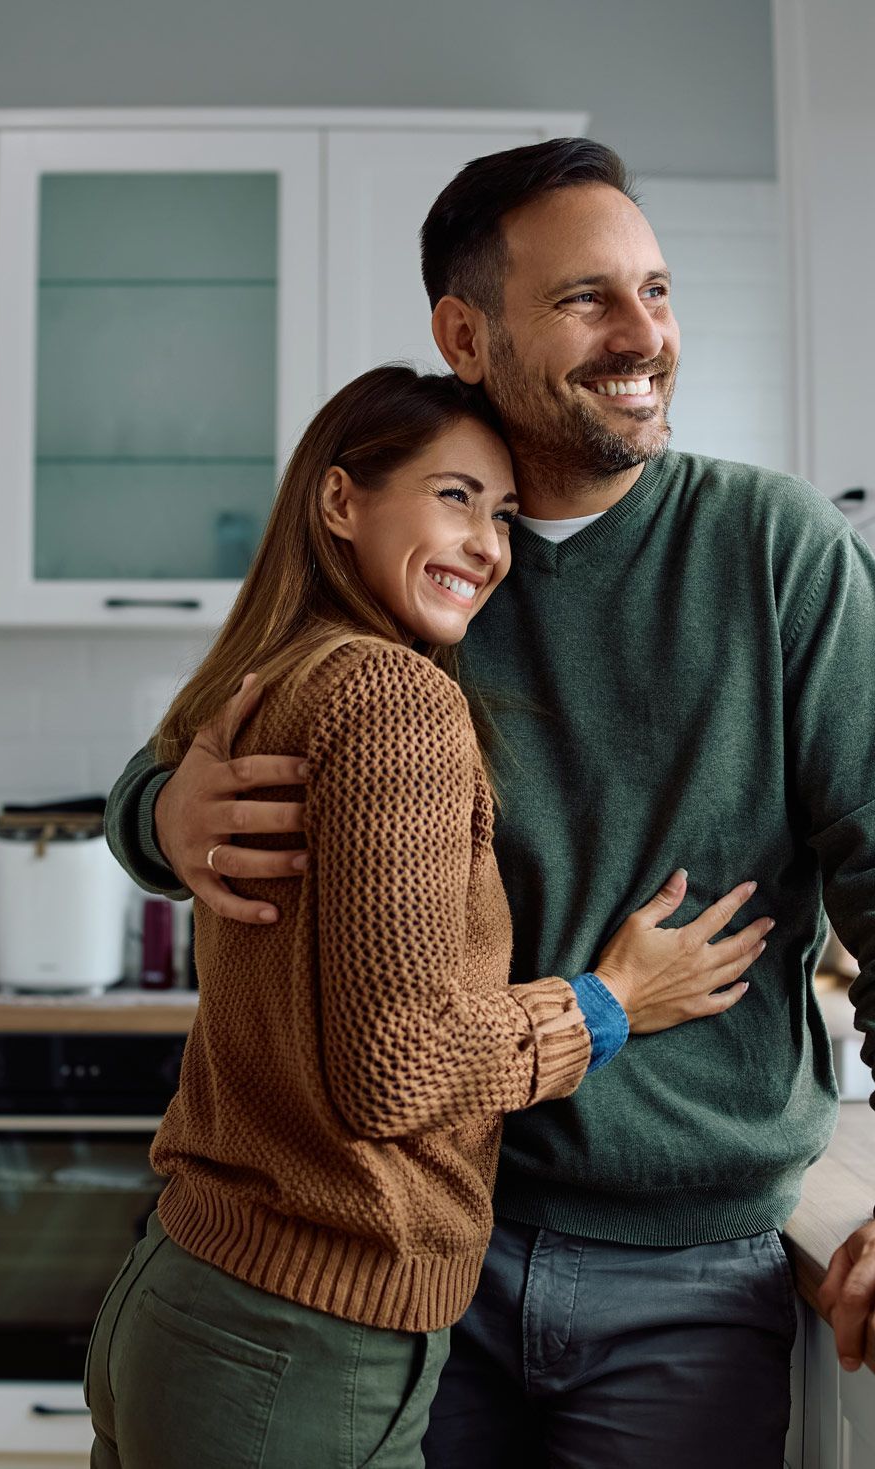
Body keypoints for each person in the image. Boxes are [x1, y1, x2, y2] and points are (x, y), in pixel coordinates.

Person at [105, 139, 875, 1467]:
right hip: (427, 1252)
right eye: (587, 297)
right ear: (466, 332)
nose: (643, 334)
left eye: (657, 288)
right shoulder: (428, 569)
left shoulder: (778, 549)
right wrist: (162, 817)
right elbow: (205, 738)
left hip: (689, 1274)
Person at [84, 365, 773, 1469]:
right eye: (455, 497)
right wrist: (611, 1002)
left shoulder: (264, 677)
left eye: (502, 513)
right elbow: (396, 1069)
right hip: (297, 1339)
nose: (491, 545)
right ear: (342, 499)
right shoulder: (394, 696)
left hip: (188, 1298)